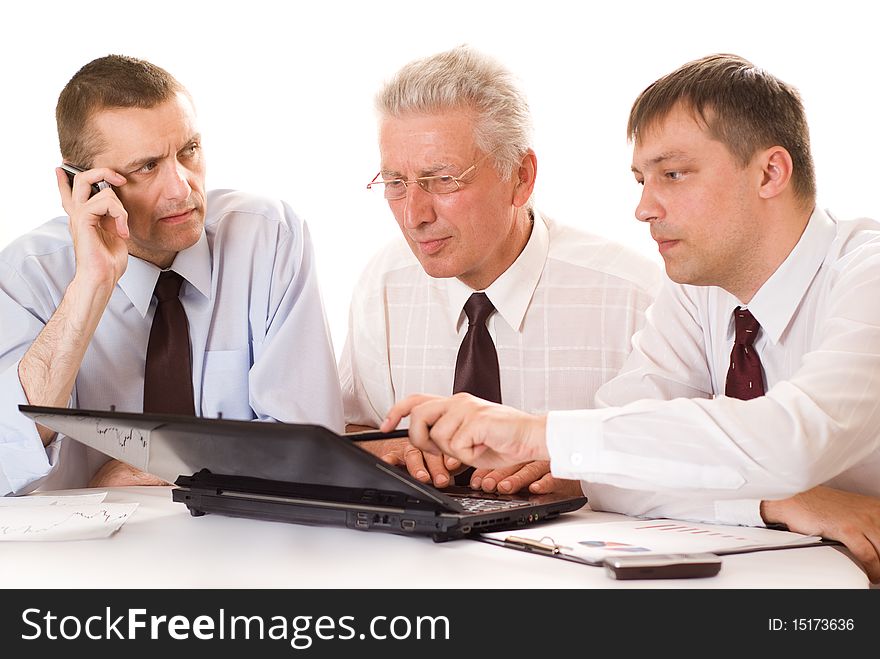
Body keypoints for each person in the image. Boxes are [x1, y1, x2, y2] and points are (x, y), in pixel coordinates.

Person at [382, 54, 880, 582]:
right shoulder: (697, 289)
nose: (644, 207)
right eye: (642, 179)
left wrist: (535, 434)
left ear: (770, 172)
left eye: (673, 174)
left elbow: (793, 439)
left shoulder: (866, 276)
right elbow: (610, 474)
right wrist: (773, 503)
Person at [0, 55, 343, 496]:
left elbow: (311, 445)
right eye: (147, 167)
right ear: (80, 183)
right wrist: (91, 285)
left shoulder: (269, 237)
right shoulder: (25, 276)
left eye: (189, 151)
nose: (182, 188)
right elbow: (8, 462)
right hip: (79, 558)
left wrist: (175, 469)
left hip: (243, 546)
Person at [339, 45, 661, 494]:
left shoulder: (636, 297)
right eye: (396, 183)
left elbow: (686, 462)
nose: (414, 215)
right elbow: (354, 428)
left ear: (520, 177)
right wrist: (391, 451)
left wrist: (584, 474)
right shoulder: (384, 283)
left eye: (443, 180)